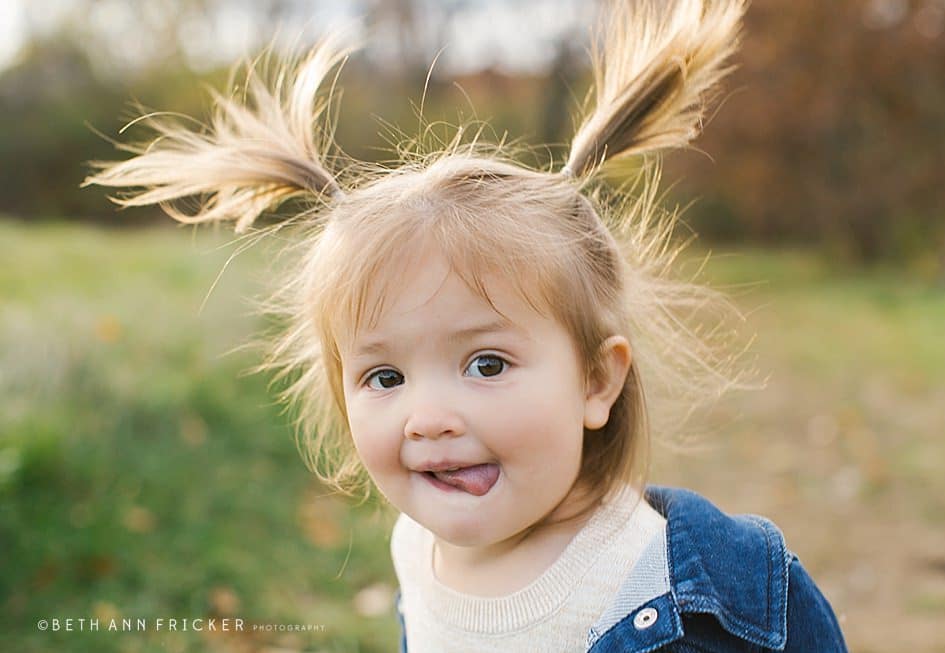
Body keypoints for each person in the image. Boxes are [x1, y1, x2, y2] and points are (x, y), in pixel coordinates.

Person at [86, 0, 848, 650]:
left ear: (596, 378)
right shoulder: (418, 548)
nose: (429, 419)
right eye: (384, 376)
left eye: (486, 364)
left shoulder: (696, 591)